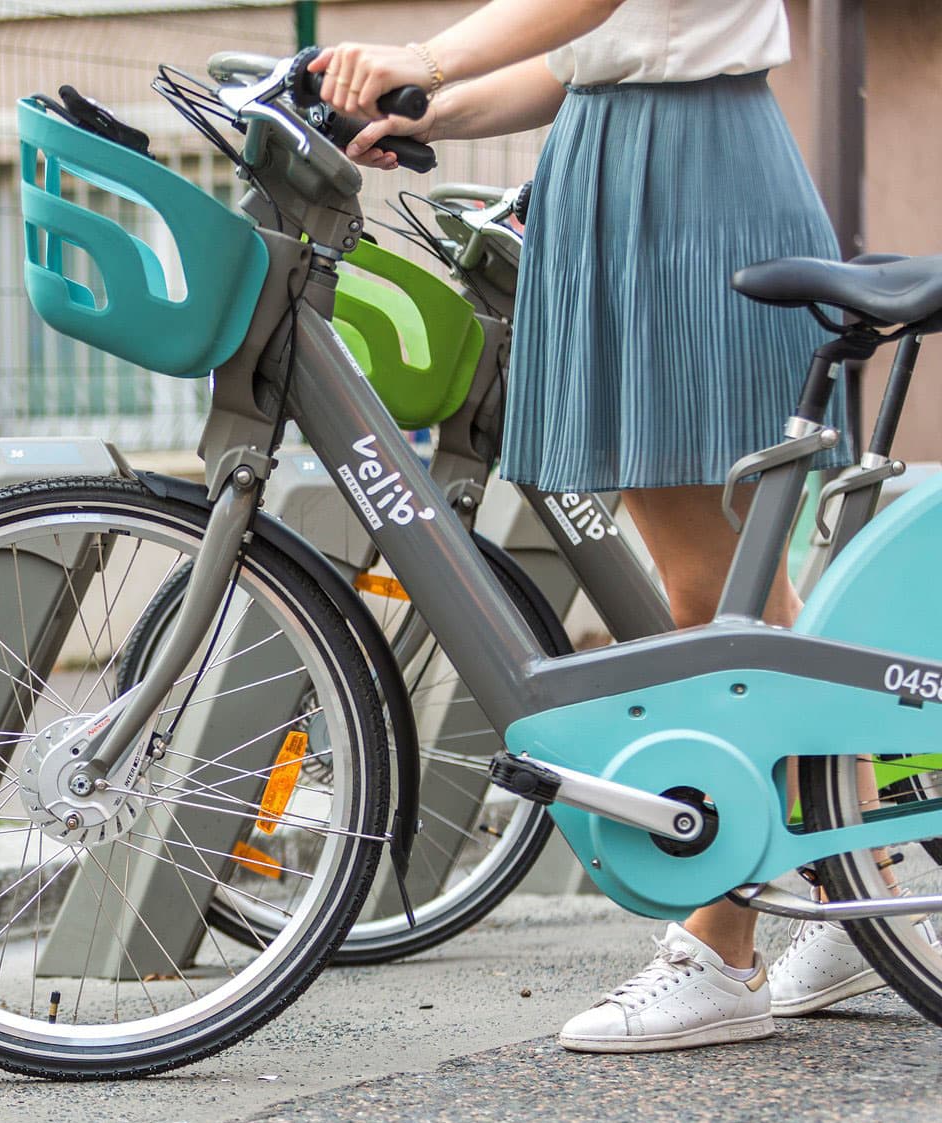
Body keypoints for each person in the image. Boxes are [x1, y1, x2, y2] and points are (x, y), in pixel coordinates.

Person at [307, 0, 889, 1053]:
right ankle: (847, 881)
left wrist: (425, 57)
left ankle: (724, 948)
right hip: (622, 162)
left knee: (714, 593)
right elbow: (578, 59)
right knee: (723, 586)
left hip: (692, 174)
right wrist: (435, 108)